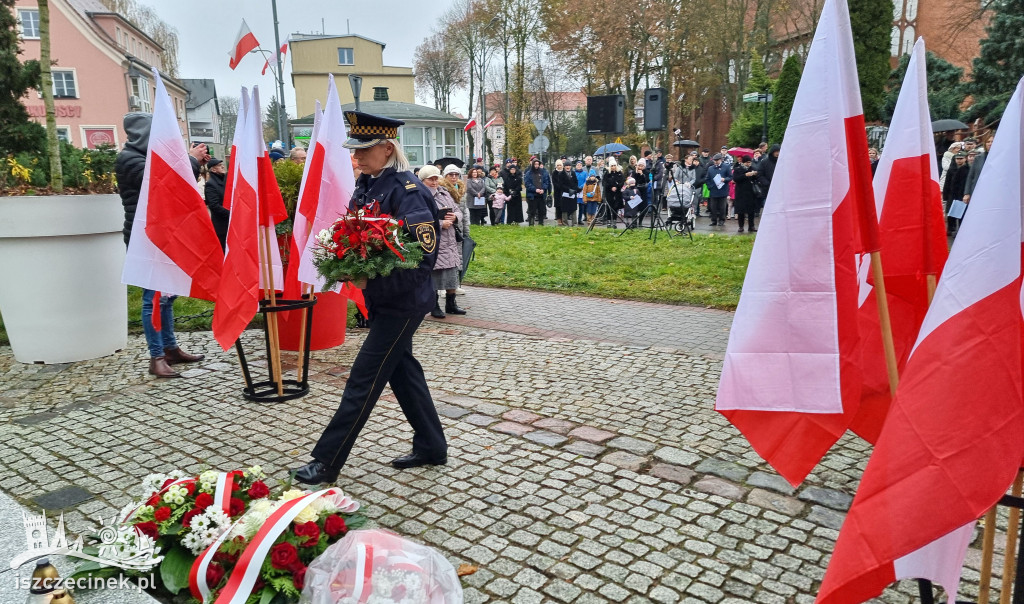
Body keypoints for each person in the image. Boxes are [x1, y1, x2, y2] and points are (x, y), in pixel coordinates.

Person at [293, 111, 446, 484]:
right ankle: (432, 446)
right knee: (404, 373)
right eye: (354, 151)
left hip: (402, 302)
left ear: (387, 148)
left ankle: (328, 461)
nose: (356, 157)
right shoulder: (368, 184)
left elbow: (422, 257)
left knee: (363, 378)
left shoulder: (407, 190)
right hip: (383, 300)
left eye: (364, 150)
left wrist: (370, 282)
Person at [116, 112, 206, 378]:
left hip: (164, 235)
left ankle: (169, 348)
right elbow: (167, 183)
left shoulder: (146, 159)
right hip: (144, 238)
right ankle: (156, 356)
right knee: (152, 299)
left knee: (166, 297)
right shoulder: (130, 161)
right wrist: (189, 159)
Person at [418, 165, 464, 318]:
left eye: (436, 178)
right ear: (423, 180)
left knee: (452, 273)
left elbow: (457, 209)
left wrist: (455, 217)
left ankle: (451, 304)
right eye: (430, 179)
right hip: (434, 240)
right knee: (436, 274)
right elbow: (419, 219)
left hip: (450, 240)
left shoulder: (444, 193)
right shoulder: (420, 196)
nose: (434, 182)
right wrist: (439, 223)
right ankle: (434, 305)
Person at [941, 151, 969, 235]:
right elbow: (947, 183)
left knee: (962, 214)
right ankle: (951, 229)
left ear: (965, 159)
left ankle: (961, 230)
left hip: (962, 193)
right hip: (952, 194)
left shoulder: (968, 169)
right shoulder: (951, 169)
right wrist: (945, 195)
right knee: (951, 213)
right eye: (957, 159)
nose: (959, 160)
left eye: (961, 159)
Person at [204, 157, 229, 249]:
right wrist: (230, 214)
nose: (222, 166)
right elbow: (214, 206)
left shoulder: (225, 180)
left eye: (222, 164)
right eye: (219, 165)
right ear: (213, 169)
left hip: (229, 222)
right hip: (221, 225)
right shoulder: (211, 184)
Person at [732, 155, 758, 233]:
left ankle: (751, 226)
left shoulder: (753, 169)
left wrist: (755, 175)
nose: (749, 164)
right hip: (741, 192)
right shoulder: (738, 169)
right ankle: (741, 226)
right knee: (741, 211)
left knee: (751, 211)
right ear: (743, 162)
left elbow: (757, 178)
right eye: (747, 162)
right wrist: (745, 175)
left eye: (750, 162)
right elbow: (736, 179)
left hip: (750, 192)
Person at [705, 153, 732, 226]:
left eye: (717, 160)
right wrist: (710, 187)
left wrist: (725, 179)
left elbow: (730, 177)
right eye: (715, 160)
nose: (716, 162)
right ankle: (714, 220)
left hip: (722, 189)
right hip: (713, 190)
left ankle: (721, 220)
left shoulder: (726, 167)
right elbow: (707, 179)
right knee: (713, 207)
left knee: (722, 207)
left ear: (721, 160)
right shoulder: (710, 168)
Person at [523, 158, 551, 226]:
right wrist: (535, 189)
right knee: (532, 211)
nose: (536, 166)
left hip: (541, 195)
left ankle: (541, 223)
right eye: (535, 164)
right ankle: (531, 224)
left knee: (541, 211)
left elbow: (546, 182)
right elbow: (527, 183)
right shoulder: (529, 173)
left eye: (538, 164)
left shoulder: (543, 172)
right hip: (532, 195)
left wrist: (543, 189)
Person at [554, 160, 578, 226]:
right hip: (565, 194)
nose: (568, 167)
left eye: (569, 166)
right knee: (564, 209)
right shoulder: (561, 174)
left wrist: (574, 189)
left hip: (573, 193)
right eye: (566, 166)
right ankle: (565, 223)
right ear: (564, 167)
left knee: (573, 209)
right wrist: (568, 189)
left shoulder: (573, 173)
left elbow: (576, 182)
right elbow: (561, 184)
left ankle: (574, 223)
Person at [603, 158, 625, 228]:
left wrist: (617, 186)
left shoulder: (619, 173)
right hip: (609, 193)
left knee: (615, 207)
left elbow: (622, 182)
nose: (613, 167)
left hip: (617, 193)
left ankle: (614, 221)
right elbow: (604, 183)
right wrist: (610, 187)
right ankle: (609, 221)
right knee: (609, 207)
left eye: (614, 165)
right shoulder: (607, 174)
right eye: (611, 166)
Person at [501, 160, 524, 225]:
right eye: (511, 169)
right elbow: (505, 186)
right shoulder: (507, 178)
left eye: (514, 169)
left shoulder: (518, 178)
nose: (513, 170)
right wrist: (508, 192)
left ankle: (517, 220)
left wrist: (515, 191)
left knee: (517, 209)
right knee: (510, 209)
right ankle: (510, 220)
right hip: (509, 195)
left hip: (516, 195)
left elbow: (519, 186)